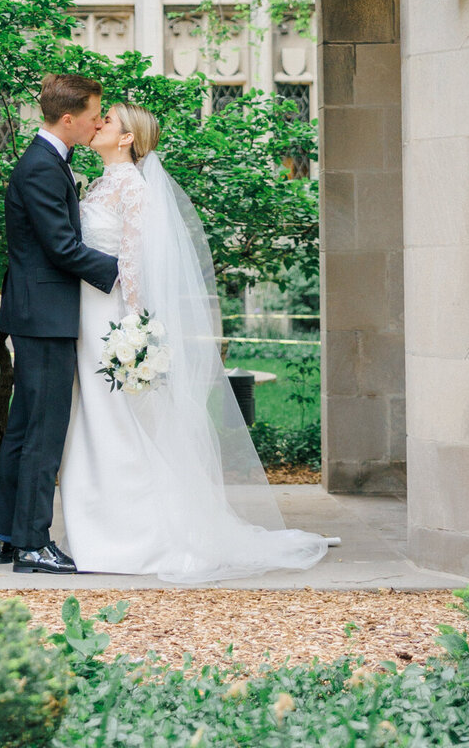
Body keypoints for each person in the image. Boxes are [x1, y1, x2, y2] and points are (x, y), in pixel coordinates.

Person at [58, 103, 333, 582]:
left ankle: (138, 537)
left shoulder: (132, 188)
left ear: (127, 139)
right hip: (87, 313)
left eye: (109, 121)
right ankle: (101, 526)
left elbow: (137, 264)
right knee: (96, 419)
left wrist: (133, 328)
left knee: (118, 421)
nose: (98, 123)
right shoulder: (101, 182)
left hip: (112, 319)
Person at [0, 72, 118, 573]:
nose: (98, 123)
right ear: (69, 118)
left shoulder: (48, 161)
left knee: (24, 428)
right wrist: (122, 272)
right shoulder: (42, 167)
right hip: (44, 316)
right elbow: (61, 248)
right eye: (93, 116)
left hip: (39, 312)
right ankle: (32, 544)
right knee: (44, 431)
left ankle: (8, 534)